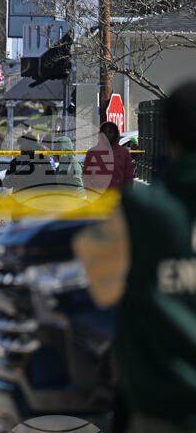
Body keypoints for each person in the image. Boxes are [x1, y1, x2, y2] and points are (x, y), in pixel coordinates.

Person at [73, 80, 196, 433]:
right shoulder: (126, 162)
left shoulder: (140, 212)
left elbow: (96, 287)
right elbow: (125, 178)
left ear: (168, 135)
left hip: (162, 403)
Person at [83, 121, 134, 193]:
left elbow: (128, 176)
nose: (107, 135)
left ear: (115, 134)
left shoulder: (124, 153)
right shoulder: (92, 153)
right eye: (105, 132)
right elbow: (86, 176)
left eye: (110, 132)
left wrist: (126, 194)